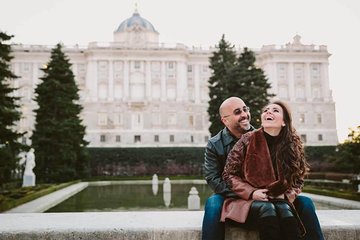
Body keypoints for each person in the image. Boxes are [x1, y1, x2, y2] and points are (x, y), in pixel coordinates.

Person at [202, 97, 324, 240]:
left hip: (270, 195)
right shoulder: (215, 144)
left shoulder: (267, 134)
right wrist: (250, 193)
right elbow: (214, 179)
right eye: (237, 112)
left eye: (245, 109)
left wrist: (282, 194)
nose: (244, 114)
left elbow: (296, 176)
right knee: (213, 203)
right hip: (235, 195)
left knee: (306, 203)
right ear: (225, 120)